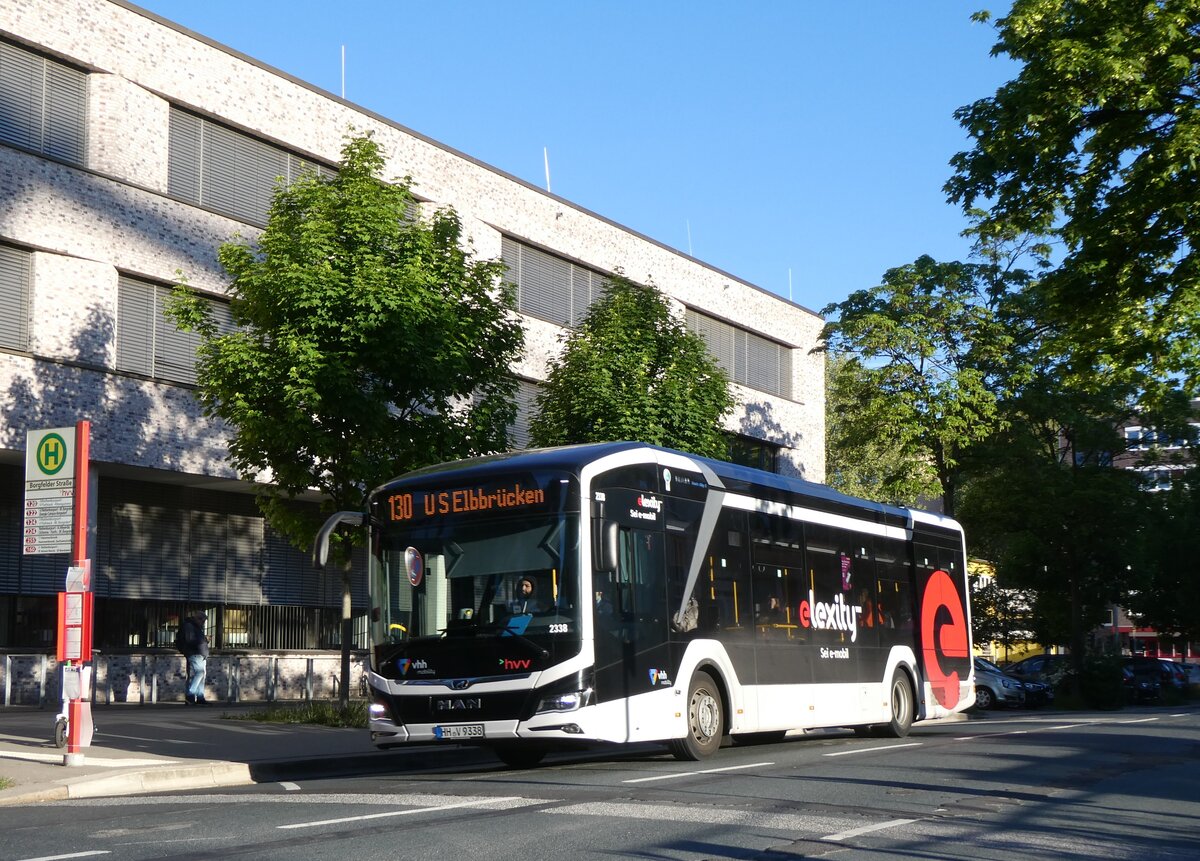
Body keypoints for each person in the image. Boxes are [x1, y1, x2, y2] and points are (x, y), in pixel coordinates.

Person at [180, 612, 210, 704]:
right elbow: (190, 640)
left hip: (200, 653)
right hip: (195, 653)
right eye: (203, 621)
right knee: (200, 673)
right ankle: (190, 694)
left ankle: (200, 696)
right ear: (198, 619)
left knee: (202, 675)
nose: (203, 623)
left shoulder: (196, 627)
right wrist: (204, 639)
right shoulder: (190, 626)